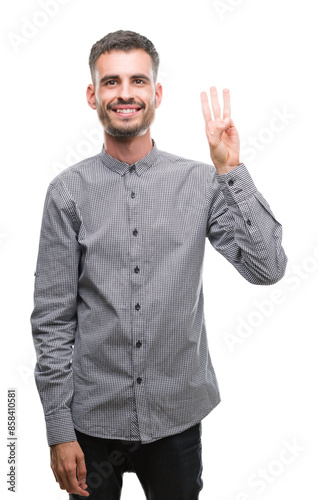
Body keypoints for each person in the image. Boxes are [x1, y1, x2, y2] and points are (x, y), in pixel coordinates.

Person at [30, 30, 287, 500]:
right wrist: (58, 428)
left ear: (156, 93)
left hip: (176, 418)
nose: (124, 93)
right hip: (91, 420)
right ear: (93, 95)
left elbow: (268, 267)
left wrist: (230, 171)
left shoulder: (200, 183)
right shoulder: (67, 192)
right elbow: (52, 319)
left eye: (137, 81)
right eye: (110, 82)